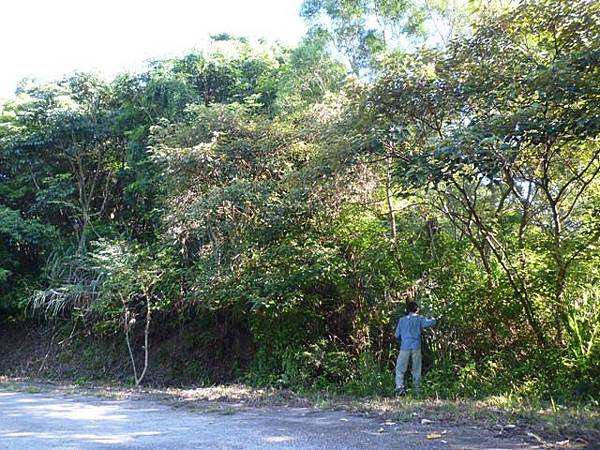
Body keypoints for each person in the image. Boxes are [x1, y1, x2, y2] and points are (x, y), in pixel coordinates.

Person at [394, 301, 436, 395]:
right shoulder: (420, 318)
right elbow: (430, 323)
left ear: (408, 310)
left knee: (400, 368)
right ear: (417, 309)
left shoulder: (402, 320)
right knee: (416, 368)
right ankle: (417, 390)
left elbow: (396, 335)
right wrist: (432, 317)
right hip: (416, 346)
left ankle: (399, 388)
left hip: (404, 347)